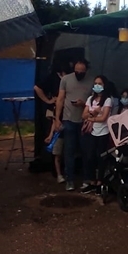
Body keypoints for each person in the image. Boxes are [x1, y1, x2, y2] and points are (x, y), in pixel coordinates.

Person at [55, 59, 95, 192]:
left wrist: (83, 104)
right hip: (69, 119)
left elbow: (95, 102)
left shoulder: (91, 81)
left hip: (84, 121)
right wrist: (57, 118)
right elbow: (60, 99)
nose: (79, 73)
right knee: (69, 151)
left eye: (82, 72)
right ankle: (70, 180)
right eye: (77, 71)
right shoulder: (65, 79)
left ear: (86, 71)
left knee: (86, 152)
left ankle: (86, 179)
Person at [80, 76, 115, 194]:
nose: (97, 86)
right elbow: (83, 115)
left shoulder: (108, 100)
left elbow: (104, 118)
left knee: (101, 157)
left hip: (103, 133)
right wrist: (94, 114)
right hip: (91, 132)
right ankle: (92, 181)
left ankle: (100, 182)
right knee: (90, 156)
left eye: (100, 83)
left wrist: (91, 116)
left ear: (104, 85)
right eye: (95, 83)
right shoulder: (90, 99)